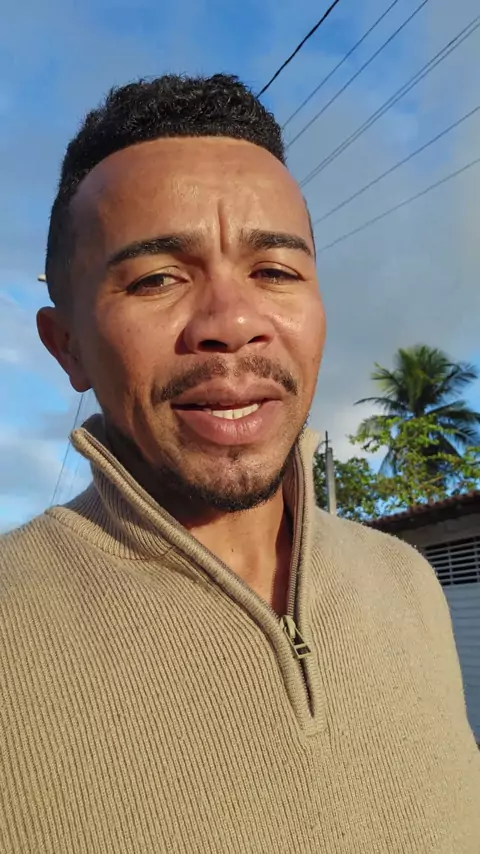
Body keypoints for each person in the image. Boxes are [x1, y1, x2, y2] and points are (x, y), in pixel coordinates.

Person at [0, 74, 478, 854]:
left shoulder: (409, 586)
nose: (232, 323)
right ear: (68, 347)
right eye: (156, 279)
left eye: (276, 271)